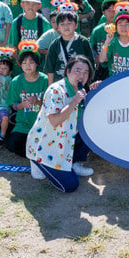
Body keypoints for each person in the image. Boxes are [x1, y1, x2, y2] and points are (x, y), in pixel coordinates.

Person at [26, 54, 94, 191]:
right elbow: (54, 121)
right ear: (67, 71)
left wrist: (94, 91)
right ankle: (36, 160)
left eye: (86, 72)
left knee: (89, 128)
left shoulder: (80, 90)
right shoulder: (56, 90)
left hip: (65, 140)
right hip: (45, 145)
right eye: (78, 70)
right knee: (70, 186)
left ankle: (73, 162)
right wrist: (74, 101)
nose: (82, 75)